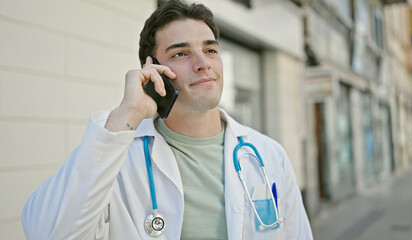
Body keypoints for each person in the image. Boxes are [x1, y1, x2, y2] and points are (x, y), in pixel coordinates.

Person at [22, 0, 313, 239]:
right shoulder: (118, 159)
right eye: (181, 53)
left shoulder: (268, 155)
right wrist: (127, 114)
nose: (203, 63)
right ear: (153, 70)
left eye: (210, 50)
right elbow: (46, 232)